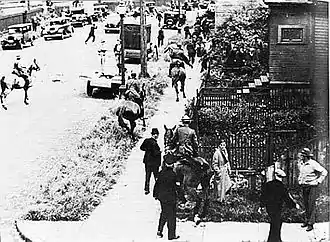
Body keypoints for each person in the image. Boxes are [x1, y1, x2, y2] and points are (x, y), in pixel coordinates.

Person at [259, 169, 300, 242]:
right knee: (276, 223)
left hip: (269, 207)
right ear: (281, 177)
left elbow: (263, 196)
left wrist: (261, 206)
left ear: (275, 176)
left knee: (276, 222)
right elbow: (286, 198)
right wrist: (294, 205)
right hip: (277, 207)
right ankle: (274, 239)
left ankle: (276, 239)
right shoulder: (282, 186)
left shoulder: (268, 185)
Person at [297, 147, 328, 232]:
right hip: (304, 186)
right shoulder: (302, 164)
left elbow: (324, 172)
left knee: (311, 204)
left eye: (302, 155)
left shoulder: (313, 163)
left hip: (312, 186)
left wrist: (318, 181)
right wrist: (300, 181)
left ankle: (311, 223)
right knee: (306, 204)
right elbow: (301, 174)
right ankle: (307, 221)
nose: (301, 157)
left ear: (306, 156)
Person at [153, 159, 180, 240]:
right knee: (172, 216)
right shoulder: (174, 174)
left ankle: (159, 230)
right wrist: (182, 198)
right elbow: (177, 187)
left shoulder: (161, 173)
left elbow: (157, 184)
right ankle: (171, 235)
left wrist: (155, 194)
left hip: (162, 198)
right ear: (172, 165)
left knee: (164, 213)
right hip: (171, 198)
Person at [140, 128, 162, 195]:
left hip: (147, 161)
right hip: (154, 163)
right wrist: (160, 152)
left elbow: (141, 148)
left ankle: (146, 189)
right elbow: (155, 153)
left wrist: (147, 150)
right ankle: (157, 191)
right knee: (156, 177)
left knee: (147, 175)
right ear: (156, 135)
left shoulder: (146, 141)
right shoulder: (155, 143)